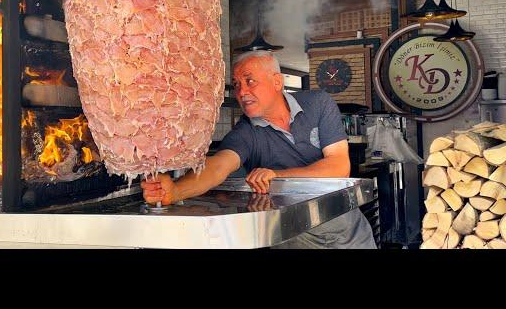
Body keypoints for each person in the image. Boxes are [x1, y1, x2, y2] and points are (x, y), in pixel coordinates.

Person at [141, 50, 376, 249]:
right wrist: (175, 192)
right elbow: (218, 166)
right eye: (237, 85)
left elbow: (338, 166)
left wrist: (277, 176)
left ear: (277, 82)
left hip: (348, 236)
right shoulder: (246, 132)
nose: (242, 92)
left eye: (250, 81)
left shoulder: (318, 103)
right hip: (293, 238)